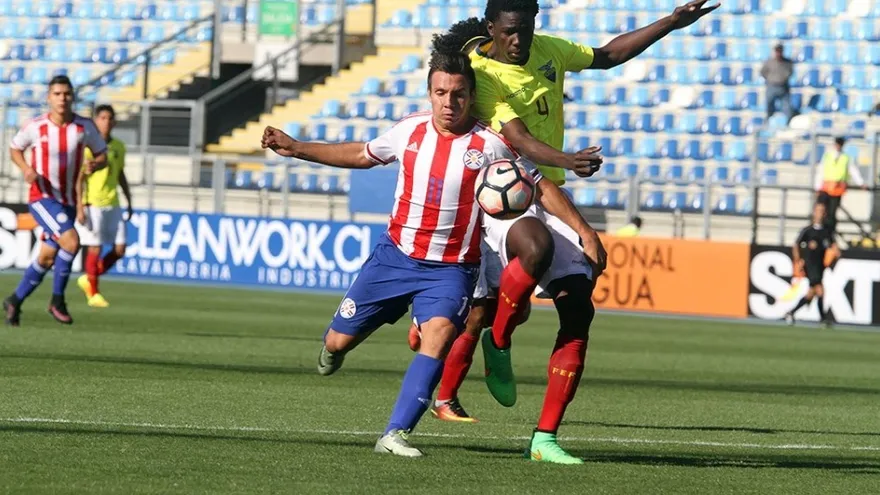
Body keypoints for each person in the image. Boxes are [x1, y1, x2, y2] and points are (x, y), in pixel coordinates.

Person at [412, 0, 715, 464]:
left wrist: (672, 21)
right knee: (527, 256)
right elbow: (521, 142)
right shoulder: (481, 75)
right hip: (502, 191)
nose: (520, 41)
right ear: (492, 28)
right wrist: (568, 159)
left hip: (548, 191)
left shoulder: (549, 50)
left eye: (527, 30)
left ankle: (544, 438)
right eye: (511, 31)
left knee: (578, 311)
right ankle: (494, 344)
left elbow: (609, 55)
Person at [261, 51, 590, 458]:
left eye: (458, 95)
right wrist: (296, 148)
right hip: (394, 259)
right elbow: (361, 155)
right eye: (441, 93)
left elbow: (539, 186)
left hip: (452, 269)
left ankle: (395, 434)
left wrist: (583, 229)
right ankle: (333, 349)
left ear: (471, 96)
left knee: (439, 335)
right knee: (339, 339)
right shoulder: (410, 131)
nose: (449, 103)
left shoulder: (491, 144)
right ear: (429, 94)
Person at [3, 75, 107, 326]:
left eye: (66, 94)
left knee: (46, 257)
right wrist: (26, 168)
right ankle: (57, 300)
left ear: (73, 96)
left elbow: (102, 154)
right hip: (43, 198)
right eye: (57, 94)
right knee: (71, 242)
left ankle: (14, 301)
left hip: (68, 201)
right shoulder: (36, 126)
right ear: (49, 97)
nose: (62, 98)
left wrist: (95, 164)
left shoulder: (84, 127)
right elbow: (15, 148)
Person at [74, 104, 133, 308]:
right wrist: (80, 206)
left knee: (119, 249)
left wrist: (129, 200)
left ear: (114, 122)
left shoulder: (118, 146)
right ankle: (94, 293)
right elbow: (79, 178)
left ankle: (90, 277)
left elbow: (121, 174)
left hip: (113, 202)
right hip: (93, 202)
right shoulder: (89, 146)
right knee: (95, 246)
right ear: (96, 121)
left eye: (110, 118)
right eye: (102, 118)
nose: (106, 122)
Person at [785, 202, 839, 328]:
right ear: (814, 212)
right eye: (818, 210)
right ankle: (823, 319)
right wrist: (798, 260)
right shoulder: (808, 231)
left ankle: (791, 313)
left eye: (822, 211)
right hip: (810, 265)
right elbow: (796, 245)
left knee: (811, 293)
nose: (820, 213)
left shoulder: (826, 231)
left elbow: (834, 246)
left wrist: (836, 253)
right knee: (820, 290)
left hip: (820, 266)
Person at [814, 137, 867, 235]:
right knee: (820, 207)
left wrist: (860, 182)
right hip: (825, 187)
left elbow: (853, 170)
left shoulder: (846, 157)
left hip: (837, 188)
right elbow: (821, 171)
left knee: (832, 211)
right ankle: (817, 227)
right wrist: (817, 186)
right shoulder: (828, 155)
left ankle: (829, 231)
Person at [761, 43, 795, 122]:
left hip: (783, 87)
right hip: (772, 86)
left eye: (780, 51)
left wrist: (783, 78)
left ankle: (788, 122)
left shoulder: (787, 62)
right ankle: (768, 121)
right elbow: (763, 72)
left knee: (787, 106)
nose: (778, 53)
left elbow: (790, 72)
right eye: (777, 51)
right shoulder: (769, 62)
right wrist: (770, 79)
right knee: (769, 105)